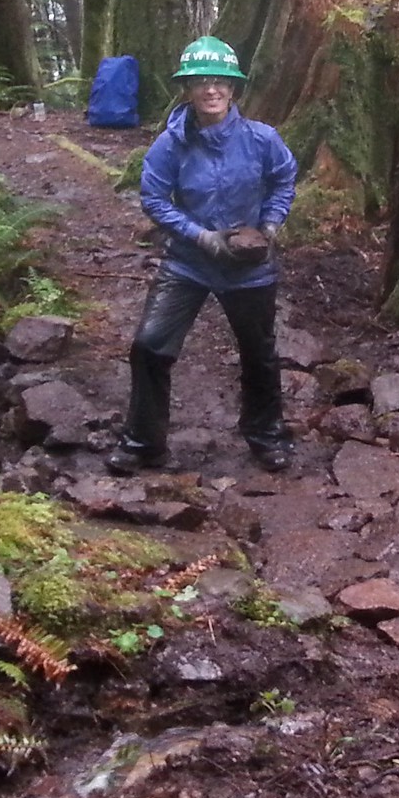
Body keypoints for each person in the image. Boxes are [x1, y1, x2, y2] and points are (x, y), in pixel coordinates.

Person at [107, 36, 299, 476]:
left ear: (233, 89)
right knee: (150, 346)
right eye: (201, 82)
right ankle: (143, 442)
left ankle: (266, 435)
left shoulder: (262, 139)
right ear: (188, 88)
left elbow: (284, 178)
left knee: (260, 354)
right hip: (188, 263)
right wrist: (201, 236)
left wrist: (268, 226)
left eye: (220, 82)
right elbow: (154, 198)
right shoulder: (169, 145)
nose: (211, 90)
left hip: (249, 269)